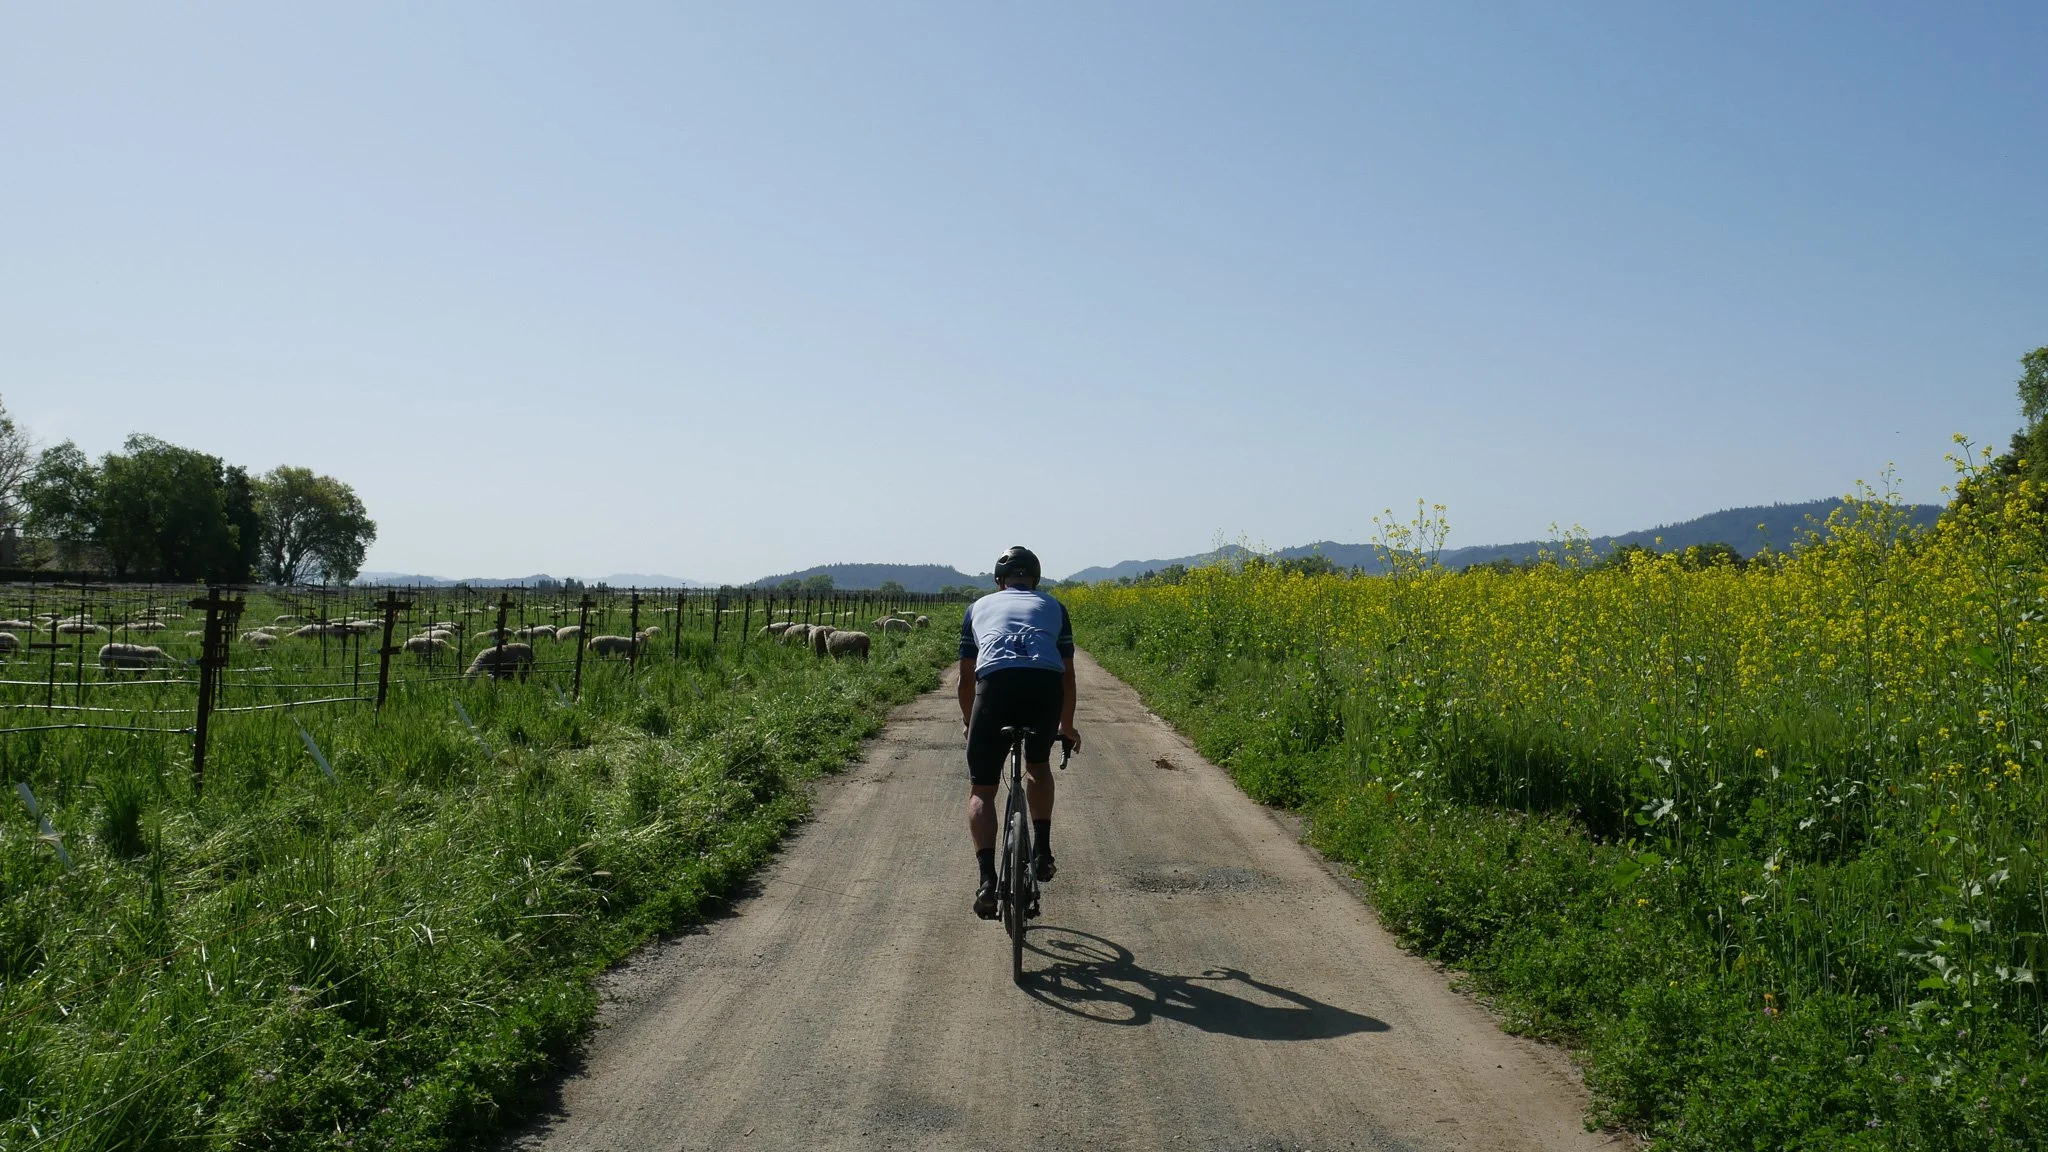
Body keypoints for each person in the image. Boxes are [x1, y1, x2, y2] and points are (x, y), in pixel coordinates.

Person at [959, 545, 1082, 920]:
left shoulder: (978, 607)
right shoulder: (1054, 606)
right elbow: (1068, 675)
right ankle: (1043, 852)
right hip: (1044, 688)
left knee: (982, 789)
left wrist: (969, 722)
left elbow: (966, 679)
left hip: (995, 688)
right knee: (1038, 766)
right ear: (1035, 580)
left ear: (999, 581)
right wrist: (1067, 725)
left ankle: (987, 880)